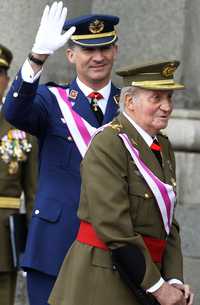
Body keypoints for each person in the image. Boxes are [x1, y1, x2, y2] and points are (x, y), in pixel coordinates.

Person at [48, 60, 194, 305]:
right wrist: (158, 288)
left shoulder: (163, 146)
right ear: (129, 102)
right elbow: (114, 225)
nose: (167, 106)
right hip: (103, 278)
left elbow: (167, 222)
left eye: (169, 97)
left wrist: (175, 280)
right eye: (156, 98)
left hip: (145, 276)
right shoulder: (110, 143)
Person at [3, 2, 120, 305]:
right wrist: (37, 57)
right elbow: (14, 111)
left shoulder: (129, 106)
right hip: (56, 243)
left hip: (117, 246)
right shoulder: (50, 99)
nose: (97, 57)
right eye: (87, 50)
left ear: (115, 51)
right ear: (71, 55)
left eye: (105, 48)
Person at [0, 44, 38, 305]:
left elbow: (34, 190)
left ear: (5, 80)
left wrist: (36, 242)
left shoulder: (21, 126)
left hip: (2, 237)